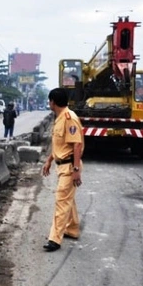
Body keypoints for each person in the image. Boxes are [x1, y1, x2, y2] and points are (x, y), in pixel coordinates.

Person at [41, 88, 84, 252]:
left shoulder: (69, 118)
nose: (49, 103)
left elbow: (76, 144)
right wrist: (49, 160)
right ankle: (72, 229)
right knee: (68, 199)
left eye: (49, 101)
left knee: (61, 200)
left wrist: (76, 169)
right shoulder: (60, 118)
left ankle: (54, 239)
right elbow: (61, 145)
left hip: (69, 166)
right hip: (62, 164)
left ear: (53, 101)